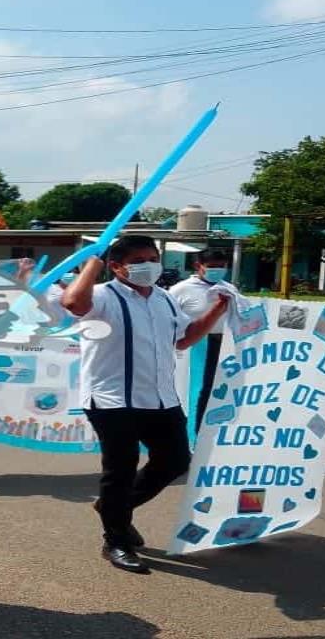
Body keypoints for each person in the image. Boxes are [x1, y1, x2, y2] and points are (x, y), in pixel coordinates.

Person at [61, 235, 228, 574]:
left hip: (160, 397)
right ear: (117, 266)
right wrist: (91, 264)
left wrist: (217, 310)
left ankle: (113, 508)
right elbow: (74, 303)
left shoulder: (165, 299)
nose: (149, 265)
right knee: (120, 469)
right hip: (112, 399)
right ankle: (116, 539)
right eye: (139, 260)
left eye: (153, 258)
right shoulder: (104, 296)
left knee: (176, 460)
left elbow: (184, 338)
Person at [168, 248, 242, 432]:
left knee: (216, 392)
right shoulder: (180, 290)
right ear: (198, 266)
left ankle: (209, 435)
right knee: (193, 391)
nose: (217, 270)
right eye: (211, 266)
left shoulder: (229, 288)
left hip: (223, 347)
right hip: (192, 348)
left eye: (221, 266)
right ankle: (193, 436)